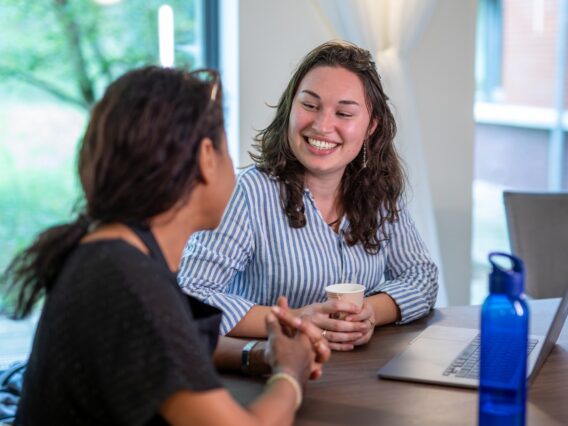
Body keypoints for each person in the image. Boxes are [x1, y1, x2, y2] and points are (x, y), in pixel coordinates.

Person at [1, 66, 330, 425]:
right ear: (206, 157)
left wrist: (263, 353)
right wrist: (290, 373)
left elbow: (170, 347)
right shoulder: (125, 280)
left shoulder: (117, 252)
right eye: (227, 151)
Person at [178, 40, 439, 351]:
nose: (321, 125)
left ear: (371, 127)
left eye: (344, 113)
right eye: (310, 105)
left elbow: (422, 276)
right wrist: (294, 320)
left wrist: (370, 313)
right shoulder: (247, 193)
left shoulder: (377, 194)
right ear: (290, 108)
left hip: (358, 375)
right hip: (265, 374)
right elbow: (190, 297)